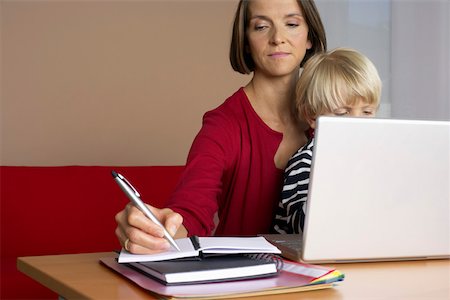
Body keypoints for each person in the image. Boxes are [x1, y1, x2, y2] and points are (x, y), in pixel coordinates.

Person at [115, 0, 327, 254]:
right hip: (245, 284)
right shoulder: (222, 125)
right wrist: (159, 229)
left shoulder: (333, 121)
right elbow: (190, 213)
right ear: (246, 41)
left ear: (309, 37)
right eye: (261, 27)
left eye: (291, 24)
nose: (277, 38)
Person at [272, 47, 382, 234]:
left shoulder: (371, 158)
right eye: (342, 113)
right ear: (312, 117)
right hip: (298, 258)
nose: (357, 122)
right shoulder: (306, 161)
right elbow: (301, 228)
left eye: (367, 112)